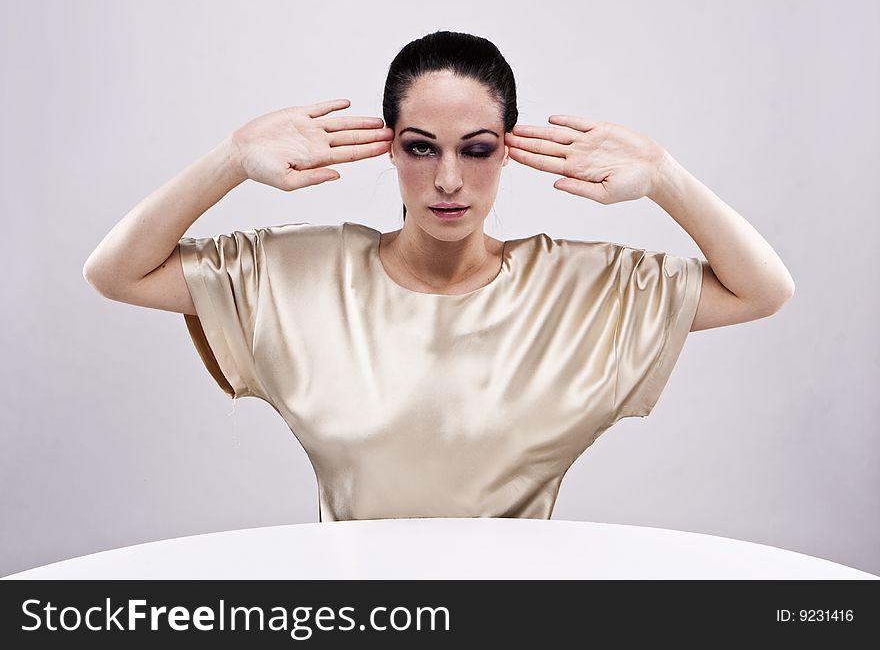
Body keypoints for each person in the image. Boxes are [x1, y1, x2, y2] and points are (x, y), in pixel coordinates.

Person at [83, 31, 795, 522]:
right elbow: (116, 271)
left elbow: (763, 289)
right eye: (421, 148)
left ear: (508, 152)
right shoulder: (302, 273)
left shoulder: (579, 288)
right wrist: (231, 159)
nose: (448, 180)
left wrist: (666, 178)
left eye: (476, 150)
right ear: (389, 149)